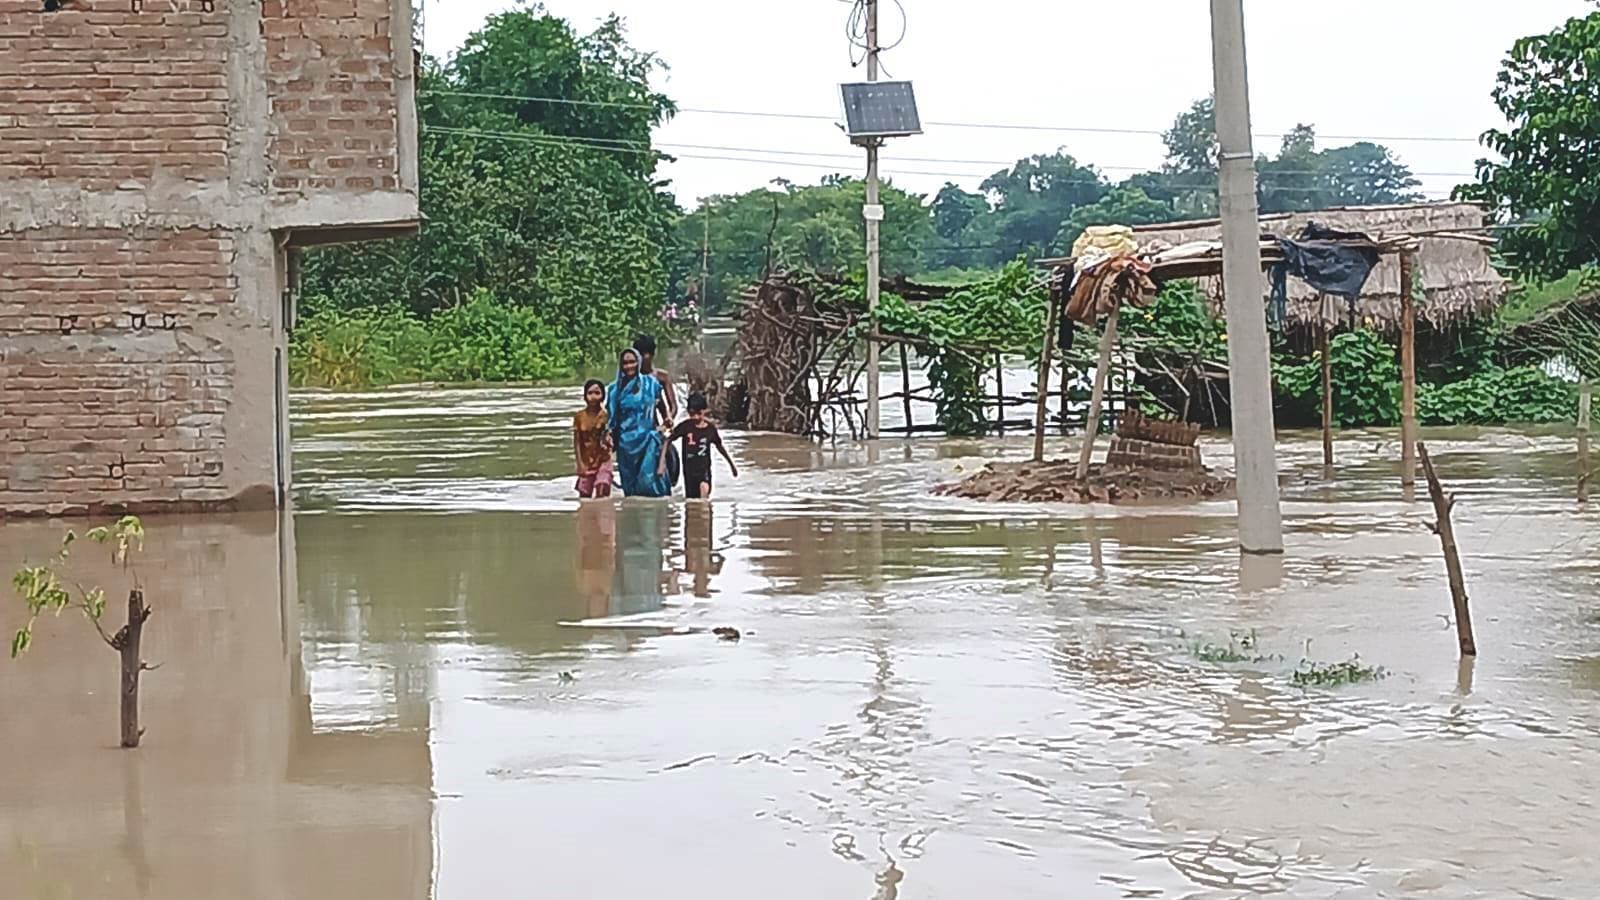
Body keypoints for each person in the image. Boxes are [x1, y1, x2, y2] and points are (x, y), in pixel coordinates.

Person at [606, 347, 672, 498]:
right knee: (630, 491)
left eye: (632, 362)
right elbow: (612, 420)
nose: (629, 366)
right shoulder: (614, 390)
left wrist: (666, 419)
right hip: (625, 445)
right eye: (625, 363)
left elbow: (661, 404)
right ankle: (631, 519)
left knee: (650, 483)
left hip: (648, 440)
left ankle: (656, 517)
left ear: (638, 362)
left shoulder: (651, 384)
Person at [661, 392, 737, 500]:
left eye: (699, 413)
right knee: (692, 503)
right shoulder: (685, 427)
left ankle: (705, 511)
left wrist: (732, 465)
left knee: (704, 490)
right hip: (689, 473)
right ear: (688, 412)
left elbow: (720, 447)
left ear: (705, 411)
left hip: (704, 471)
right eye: (692, 414)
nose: (695, 417)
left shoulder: (710, 430)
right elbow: (668, 440)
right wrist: (661, 463)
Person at [572, 379, 612, 499]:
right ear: (585, 396)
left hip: (603, 458)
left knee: (602, 487)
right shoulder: (579, 417)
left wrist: (609, 440)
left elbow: (611, 434)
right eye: (590, 393)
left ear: (603, 396)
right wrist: (579, 464)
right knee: (584, 495)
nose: (593, 397)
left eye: (597, 393)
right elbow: (577, 441)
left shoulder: (606, 416)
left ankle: (603, 515)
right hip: (586, 460)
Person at [634, 334, 677, 421]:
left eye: (645, 354)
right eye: (640, 355)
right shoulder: (632, 378)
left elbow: (673, 407)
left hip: (653, 425)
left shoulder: (661, 377)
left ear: (652, 354)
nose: (642, 358)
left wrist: (668, 420)